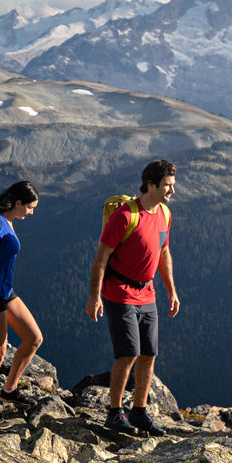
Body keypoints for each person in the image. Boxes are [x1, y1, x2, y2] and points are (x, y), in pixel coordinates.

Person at [86, 159, 179, 436]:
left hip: (147, 293)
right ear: (150, 185)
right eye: (167, 186)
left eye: (173, 185)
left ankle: (139, 412)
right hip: (120, 293)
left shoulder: (164, 214)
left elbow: (163, 253)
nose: (172, 191)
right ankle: (115, 413)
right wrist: (95, 296)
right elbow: (100, 258)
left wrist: (171, 290)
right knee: (128, 354)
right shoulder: (126, 216)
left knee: (149, 354)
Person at [0, 180, 46, 425]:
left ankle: (9, 390)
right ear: (18, 203)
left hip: (6, 291)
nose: (32, 212)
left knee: (34, 338)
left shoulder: (8, 222)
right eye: (30, 207)